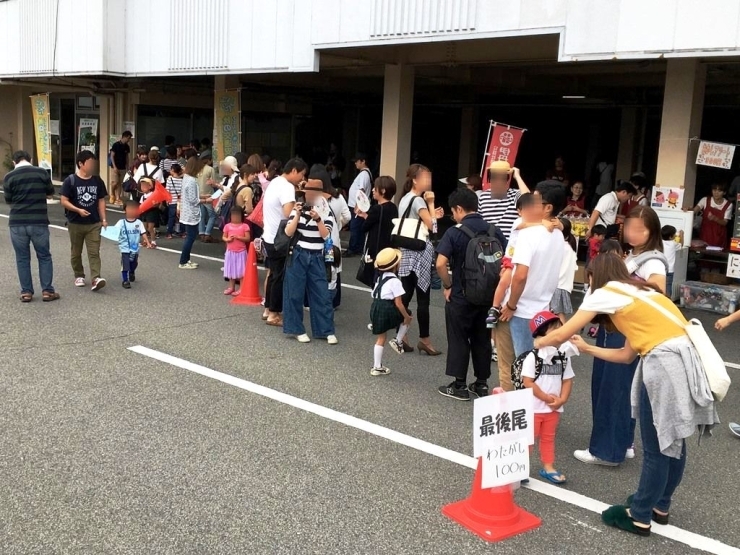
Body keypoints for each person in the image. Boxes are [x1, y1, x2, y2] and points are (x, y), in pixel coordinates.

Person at [536, 253, 718, 537]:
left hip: (664, 366)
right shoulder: (644, 292)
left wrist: (539, 341)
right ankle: (660, 504)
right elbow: (625, 355)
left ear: (596, 276)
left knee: (657, 447)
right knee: (673, 440)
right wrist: (588, 349)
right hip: (685, 363)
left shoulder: (607, 292)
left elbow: (560, 335)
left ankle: (639, 515)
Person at [497, 180, 566, 390]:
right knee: (533, 367)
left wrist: (510, 305)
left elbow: (520, 276)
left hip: (518, 310)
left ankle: (514, 414)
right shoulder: (558, 234)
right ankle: (532, 414)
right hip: (542, 311)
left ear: (548, 207)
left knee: (514, 367)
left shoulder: (528, 234)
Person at [436, 188, 503, 400]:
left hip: (461, 295)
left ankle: (459, 385)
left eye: (452, 212)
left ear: (458, 208)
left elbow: (440, 263)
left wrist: (447, 285)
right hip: (489, 296)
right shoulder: (494, 230)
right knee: (482, 338)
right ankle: (481, 384)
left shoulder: (455, 232)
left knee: (459, 338)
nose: (453, 216)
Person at [282, 171, 337, 345]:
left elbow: (325, 235)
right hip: (298, 253)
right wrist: (297, 214)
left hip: (317, 255)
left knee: (321, 293)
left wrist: (318, 219)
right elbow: (288, 232)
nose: (311, 197)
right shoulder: (299, 207)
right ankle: (296, 328)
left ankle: (325, 330)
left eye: (314, 193)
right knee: (294, 293)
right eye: (309, 193)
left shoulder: (327, 211)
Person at [522, 310, 576, 484]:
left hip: (553, 408)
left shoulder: (563, 357)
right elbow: (528, 382)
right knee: (528, 439)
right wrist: (546, 397)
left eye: (559, 328)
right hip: (534, 407)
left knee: (548, 437)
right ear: (542, 333)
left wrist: (562, 399)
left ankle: (548, 466)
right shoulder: (533, 357)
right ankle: (520, 467)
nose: (559, 333)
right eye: (554, 329)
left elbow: (568, 379)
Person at [396, 164, 443, 355]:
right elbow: (433, 228)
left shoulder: (405, 199)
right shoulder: (418, 201)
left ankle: (402, 334)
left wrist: (432, 215)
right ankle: (425, 339)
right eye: (425, 178)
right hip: (420, 252)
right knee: (423, 299)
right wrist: (431, 204)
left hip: (406, 251)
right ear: (415, 180)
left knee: (406, 294)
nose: (428, 182)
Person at [4, 150, 59, 302]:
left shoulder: (9, 177)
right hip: (39, 221)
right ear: (31, 159)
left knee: (22, 258)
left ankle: (26, 292)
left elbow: (8, 200)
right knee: (44, 256)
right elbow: (50, 194)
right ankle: (47, 291)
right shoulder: (41, 173)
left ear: (14, 162)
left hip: (17, 222)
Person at [262, 158, 307, 327]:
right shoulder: (287, 187)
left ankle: (267, 310)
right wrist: (299, 206)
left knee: (273, 274)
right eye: (302, 174)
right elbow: (289, 212)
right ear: (294, 171)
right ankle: (274, 313)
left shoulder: (275, 182)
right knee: (279, 277)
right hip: (280, 238)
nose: (302, 179)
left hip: (269, 235)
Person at [61, 150, 108, 291]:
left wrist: (104, 219)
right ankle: (79, 275)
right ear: (81, 164)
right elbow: (63, 201)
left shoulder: (97, 180)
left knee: (94, 252)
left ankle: (96, 278)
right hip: (75, 223)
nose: (93, 165)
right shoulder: (70, 181)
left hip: (93, 223)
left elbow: (101, 201)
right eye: (90, 163)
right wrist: (77, 210)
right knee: (76, 252)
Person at [368, 248, 413, 376]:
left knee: (381, 337)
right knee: (408, 314)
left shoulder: (380, 279)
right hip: (386, 308)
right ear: (396, 265)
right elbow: (399, 303)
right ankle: (398, 341)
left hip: (375, 308)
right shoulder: (395, 281)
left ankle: (377, 366)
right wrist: (406, 317)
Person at [355, 176, 399, 286]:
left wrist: (365, 217)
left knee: (376, 283)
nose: (373, 190)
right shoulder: (393, 208)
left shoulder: (376, 209)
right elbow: (379, 222)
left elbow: (364, 227)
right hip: (389, 249)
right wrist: (366, 216)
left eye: (375, 188)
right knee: (387, 282)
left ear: (383, 191)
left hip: (376, 251)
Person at [478, 161, 531, 241]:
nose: (495, 181)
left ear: (507, 179)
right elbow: (479, 222)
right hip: (489, 246)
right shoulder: (483, 197)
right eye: (492, 177)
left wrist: (517, 176)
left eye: (500, 177)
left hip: (510, 246)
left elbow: (529, 201)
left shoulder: (514, 194)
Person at [326, 173, 352, 309]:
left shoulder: (317, 198)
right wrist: (338, 224)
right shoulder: (338, 196)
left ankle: (319, 300)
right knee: (334, 268)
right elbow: (347, 216)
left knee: (320, 269)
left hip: (321, 239)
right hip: (333, 240)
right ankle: (334, 301)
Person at [115, 200, 153, 288]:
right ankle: (125, 281)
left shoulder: (138, 223)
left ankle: (132, 271)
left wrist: (147, 242)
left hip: (135, 248)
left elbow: (143, 233)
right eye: (130, 209)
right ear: (125, 210)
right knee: (125, 264)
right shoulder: (121, 222)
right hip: (124, 248)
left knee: (134, 263)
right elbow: (114, 231)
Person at [178, 157, 204, 269]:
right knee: (190, 237)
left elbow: (190, 196)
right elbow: (193, 200)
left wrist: (202, 197)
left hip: (186, 212)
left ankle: (186, 260)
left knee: (190, 237)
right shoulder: (192, 180)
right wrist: (206, 200)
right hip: (191, 213)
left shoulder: (186, 178)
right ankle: (183, 261)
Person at [346, 153, 373, 257]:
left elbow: (361, 190)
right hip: (359, 205)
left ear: (363, 161)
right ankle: (358, 247)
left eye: (357, 161)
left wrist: (358, 204)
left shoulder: (364, 174)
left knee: (355, 227)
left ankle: (353, 248)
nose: (355, 163)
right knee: (359, 227)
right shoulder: (364, 174)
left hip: (358, 205)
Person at [552, 218, 578, 323]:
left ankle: (563, 337)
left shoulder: (561, 246)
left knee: (557, 314)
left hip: (557, 284)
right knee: (557, 313)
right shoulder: (570, 245)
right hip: (563, 285)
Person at [692, 182, 733, 248]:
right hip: (705, 233)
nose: (716, 193)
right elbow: (694, 210)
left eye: (719, 191)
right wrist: (688, 210)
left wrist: (714, 218)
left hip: (719, 235)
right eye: (714, 190)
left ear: (724, 193)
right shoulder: (705, 200)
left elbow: (725, 222)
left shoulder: (728, 205)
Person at [222, 206, 251, 295]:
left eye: (237, 216)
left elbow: (248, 238)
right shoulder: (227, 226)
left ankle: (241, 288)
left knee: (241, 270)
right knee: (231, 270)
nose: (235, 217)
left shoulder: (244, 226)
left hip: (241, 252)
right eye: (233, 215)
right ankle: (231, 287)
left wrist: (239, 237)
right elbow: (224, 237)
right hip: (230, 251)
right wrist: (227, 240)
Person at [196, 153, 217, 242]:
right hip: (208, 195)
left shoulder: (197, 169)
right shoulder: (210, 169)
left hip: (199, 195)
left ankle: (201, 233)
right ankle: (207, 234)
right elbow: (213, 182)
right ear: (208, 160)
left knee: (202, 215)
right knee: (212, 215)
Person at [109, 130, 132, 206]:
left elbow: (127, 157)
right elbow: (112, 156)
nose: (129, 140)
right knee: (115, 182)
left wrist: (127, 167)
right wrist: (114, 166)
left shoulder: (127, 147)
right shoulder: (116, 145)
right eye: (128, 138)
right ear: (125, 137)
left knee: (120, 183)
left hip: (123, 167)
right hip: (115, 167)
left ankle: (118, 198)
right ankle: (112, 194)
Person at [138, 178, 160, 248]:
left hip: (152, 213)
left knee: (150, 228)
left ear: (150, 187)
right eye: (142, 186)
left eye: (145, 186)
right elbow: (140, 205)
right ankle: (145, 241)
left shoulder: (153, 195)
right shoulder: (143, 196)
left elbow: (157, 204)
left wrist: (154, 204)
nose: (143, 188)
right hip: (144, 213)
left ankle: (153, 242)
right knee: (144, 228)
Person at [164, 163, 183, 239]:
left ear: (172, 170)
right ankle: (181, 232)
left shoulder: (169, 179)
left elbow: (167, 190)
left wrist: (167, 199)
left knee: (171, 217)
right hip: (180, 202)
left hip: (172, 201)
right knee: (180, 217)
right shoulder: (182, 180)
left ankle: (169, 233)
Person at [661, 225, 680, 298]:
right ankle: (668, 300)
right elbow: (681, 245)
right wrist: (682, 235)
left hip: (661, 268)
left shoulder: (659, 243)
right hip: (670, 270)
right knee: (668, 285)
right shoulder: (673, 244)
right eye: (674, 234)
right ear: (670, 237)